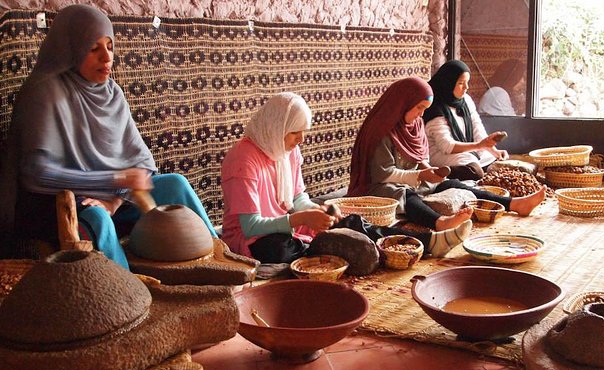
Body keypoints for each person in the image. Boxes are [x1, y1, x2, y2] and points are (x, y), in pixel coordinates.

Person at [0, 5, 217, 268]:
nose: (106, 57)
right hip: (59, 204)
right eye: (94, 49)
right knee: (97, 217)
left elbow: (142, 161)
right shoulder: (45, 93)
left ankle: (220, 260)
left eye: (110, 46)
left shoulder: (112, 93)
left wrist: (115, 199)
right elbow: (36, 174)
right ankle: (126, 296)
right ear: (71, 49)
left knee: (175, 184)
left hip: (112, 196)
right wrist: (113, 180)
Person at [220, 92, 472, 264]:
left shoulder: (289, 151)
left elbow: (297, 198)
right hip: (252, 239)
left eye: (303, 133)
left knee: (351, 221)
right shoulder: (243, 160)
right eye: (295, 133)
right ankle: (343, 251)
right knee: (279, 248)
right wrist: (301, 218)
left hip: (289, 223)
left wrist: (323, 210)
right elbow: (250, 226)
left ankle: (427, 241)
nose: (301, 141)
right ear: (276, 129)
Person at [347, 76, 545, 231]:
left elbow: (419, 158)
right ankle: (440, 222)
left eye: (425, 109)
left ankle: (513, 204)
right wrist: (419, 175)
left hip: (409, 179)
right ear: (402, 103)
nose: (421, 115)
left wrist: (428, 170)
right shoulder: (381, 130)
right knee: (403, 194)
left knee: (450, 183)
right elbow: (382, 174)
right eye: (419, 108)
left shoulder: (414, 125)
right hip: (376, 187)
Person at [423, 60, 509, 180]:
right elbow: (446, 146)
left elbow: (477, 129)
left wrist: (495, 151)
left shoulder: (466, 100)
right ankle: (436, 173)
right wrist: (479, 146)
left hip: (467, 149)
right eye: (461, 83)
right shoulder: (434, 106)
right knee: (474, 171)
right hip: (441, 154)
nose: (466, 87)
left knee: (496, 163)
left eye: (467, 82)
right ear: (448, 83)